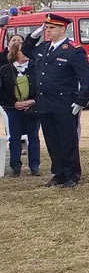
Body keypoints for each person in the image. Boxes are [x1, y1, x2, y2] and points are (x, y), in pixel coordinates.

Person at [21, 13, 89, 188]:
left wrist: (81, 100)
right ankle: (58, 173)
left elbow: (87, 78)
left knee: (67, 140)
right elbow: (26, 50)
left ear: (63, 28)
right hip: (45, 102)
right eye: (46, 28)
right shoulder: (44, 47)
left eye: (51, 28)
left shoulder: (73, 50)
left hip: (64, 103)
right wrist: (34, 35)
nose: (48, 31)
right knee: (52, 139)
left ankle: (72, 174)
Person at [0, 36, 41, 177]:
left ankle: (35, 166)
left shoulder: (36, 68)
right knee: (15, 138)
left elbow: (42, 88)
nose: (26, 54)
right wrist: (14, 103)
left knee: (34, 138)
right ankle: (15, 167)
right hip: (13, 109)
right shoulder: (5, 70)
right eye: (23, 51)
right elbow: (2, 91)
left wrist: (33, 101)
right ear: (15, 53)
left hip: (32, 108)